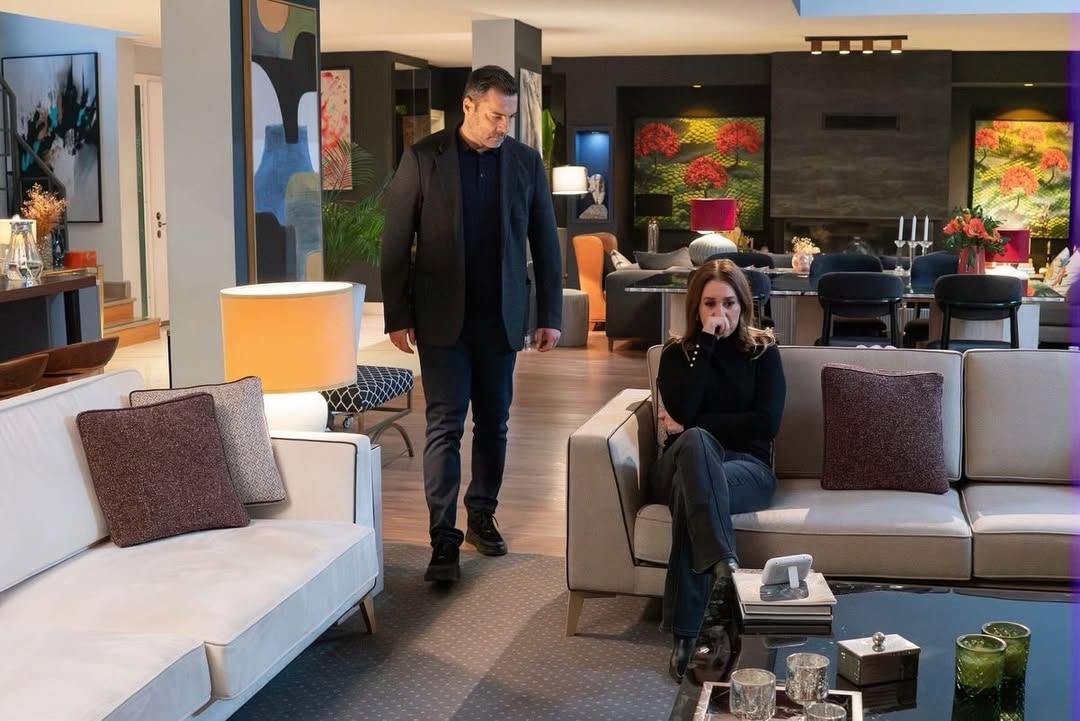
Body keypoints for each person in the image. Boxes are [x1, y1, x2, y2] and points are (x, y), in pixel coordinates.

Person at [380, 65, 563, 583]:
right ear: (468, 106)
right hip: (441, 319)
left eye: (509, 117)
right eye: (494, 115)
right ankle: (443, 538)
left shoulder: (525, 162)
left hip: (501, 319)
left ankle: (481, 515)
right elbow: (396, 242)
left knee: (494, 423)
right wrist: (398, 313)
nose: (502, 125)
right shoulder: (423, 157)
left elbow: (545, 242)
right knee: (444, 424)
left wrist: (549, 315)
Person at [650, 259, 786, 681]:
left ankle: (687, 635)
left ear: (743, 305)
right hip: (680, 462)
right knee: (695, 444)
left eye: (728, 303)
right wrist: (706, 344)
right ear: (696, 307)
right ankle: (723, 569)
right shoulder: (676, 355)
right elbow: (684, 410)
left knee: (694, 485)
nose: (719, 312)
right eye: (710, 304)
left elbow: (766, 424)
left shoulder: (763, 351)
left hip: (746, 468)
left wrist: (694, 422)